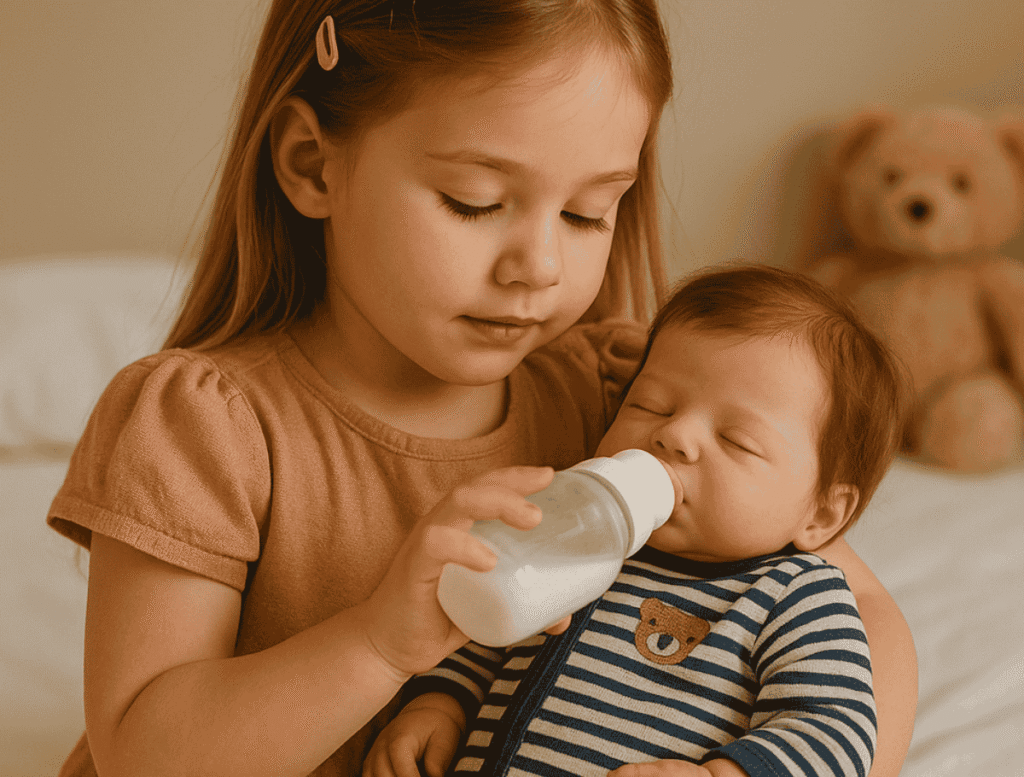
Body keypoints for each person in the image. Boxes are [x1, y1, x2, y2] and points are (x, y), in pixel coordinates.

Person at [42, 1, 914, 775]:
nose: (538, 266)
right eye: (472, 200)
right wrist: (381, 642)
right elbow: (143, 753)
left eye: (586, 214)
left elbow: (858, 607)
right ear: (314, 165)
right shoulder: (205, 425)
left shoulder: (618, 396)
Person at [366, 265, 907, 777]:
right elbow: (484, 627)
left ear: (821, 514)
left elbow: (835, 732)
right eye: (651, 405)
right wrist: (440, 704)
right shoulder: (576, 532)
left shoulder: (794, 595)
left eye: (736, 440)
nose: (676, 436)